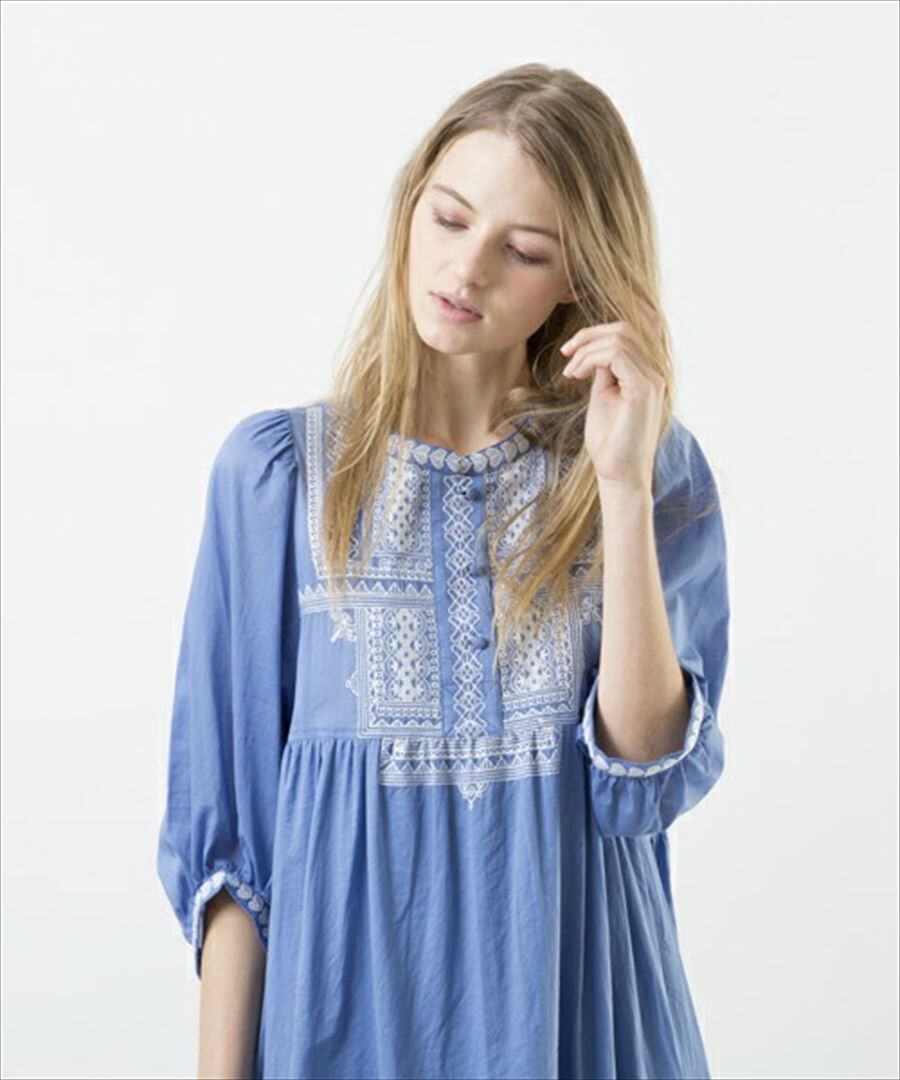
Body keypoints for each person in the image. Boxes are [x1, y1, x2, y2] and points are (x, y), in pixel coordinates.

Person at [157, 62, 730, 1080]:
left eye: (523, 250)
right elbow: (234, 855)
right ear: (409, 206)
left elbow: (642, 780)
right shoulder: (278, 479)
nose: (466, 270)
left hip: (587, 1029)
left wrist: (621, 485)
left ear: (579, 279)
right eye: (450, 218)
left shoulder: (647, 468)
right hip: (348, 1035)